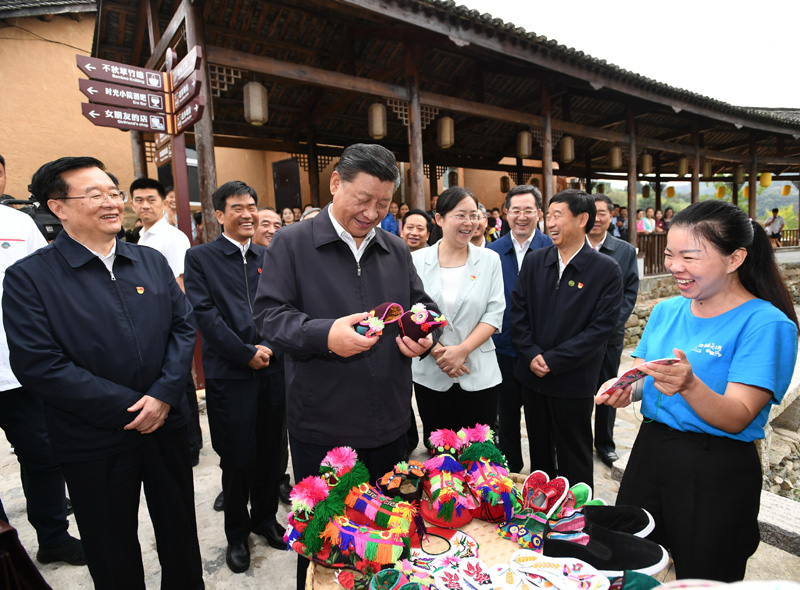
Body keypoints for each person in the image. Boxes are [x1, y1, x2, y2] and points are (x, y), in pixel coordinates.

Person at [3, 157, 203, 590]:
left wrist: (164, 394)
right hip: (93, 438)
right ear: (58, 207)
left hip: (166, 425)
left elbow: (183, 326)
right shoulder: (29, 278)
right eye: (95, 195)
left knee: (181, 538)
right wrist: (132, 407)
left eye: (114, 192)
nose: (113, 202)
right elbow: (39, 364)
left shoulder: (149, 261)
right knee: (111, 552)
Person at [252, 143, 441, 590]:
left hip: (390, 424)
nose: (372, 213)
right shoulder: (292, 243)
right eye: (363, 199)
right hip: (324, 427)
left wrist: (425, 335)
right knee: (325, 544)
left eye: (383, 204)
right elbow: (269, 318)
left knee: (392, 540)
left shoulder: (395, 249)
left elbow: (421, 305)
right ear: (336, 183)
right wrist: (325, 335)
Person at [597, 199, 798, 582]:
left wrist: (690, 385)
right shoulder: (667, 310)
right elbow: (649, 374)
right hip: (650, 452)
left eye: (690, 256)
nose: (675, 266)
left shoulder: (765, 324)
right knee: (631, 563)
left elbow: (738, 416)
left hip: (715, 468)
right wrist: (625, 387)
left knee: (706, 574)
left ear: (735, 258)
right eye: (670, 255)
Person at [184, 181, 286, 574]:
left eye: (252, 206)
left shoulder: (268, 256)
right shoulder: (201, 257)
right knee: (238, 457)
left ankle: (265, 519)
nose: (247, 214)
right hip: (230, 373)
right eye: (237, 207)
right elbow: (205, 314)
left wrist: (270, 347)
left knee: (271, 452)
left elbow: (282, 305)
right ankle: (237, 533)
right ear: (219, 215)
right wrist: (245, 353)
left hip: (273, 367)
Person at [0, 161, 85, 566]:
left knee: (43, 457)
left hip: (19, 370)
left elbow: (50, 284)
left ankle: (53, 537)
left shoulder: (18, 224)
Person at [511, 189, 622, 489]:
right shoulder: (535, 261)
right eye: (548, 216)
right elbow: (518, 312)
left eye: (557, 215)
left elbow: (600, 329)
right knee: (540, 453)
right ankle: (540, 508)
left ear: (582, 219)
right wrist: (530, 353)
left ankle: (579, 513)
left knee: (575, 453)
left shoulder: (605, 269)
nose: (550, 223)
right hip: (533, 377)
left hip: (573, 380)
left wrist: (554, 360)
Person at [411, 187, 504, 443]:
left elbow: (494, 313)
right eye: (460, 215)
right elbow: (411, 312)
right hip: (431, 372)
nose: (469, 222)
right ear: (439, 219)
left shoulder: (489, 260)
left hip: (478, 370)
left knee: (479, 451)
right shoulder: (416, 260)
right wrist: (438, 351)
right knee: (441, 453)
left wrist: (461, 350)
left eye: (474, 215)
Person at [130, 178, 201, 464]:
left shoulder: (172, 237)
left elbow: (180, 284)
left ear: (163, 202)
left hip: (170, 322)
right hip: (149, 324)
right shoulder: (141, 236)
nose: (145, 205)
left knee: (181, 382)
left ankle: (192, 444)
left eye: (151, 199)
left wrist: (175, 324)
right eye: (139, 200)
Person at [487, 185, 553, 474]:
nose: (522, 216)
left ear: (539, 213)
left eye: (528, 210)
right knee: (506, 416)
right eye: (516, 210)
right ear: (506, 213)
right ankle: (509, 471)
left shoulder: (552, 248)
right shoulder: (492, 252)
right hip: (503, 349)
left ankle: (543, 475)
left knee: (542, 420)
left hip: (541, 352)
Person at [587, 194, 639, 467]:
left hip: (610, 336)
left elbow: (629, 293)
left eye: (603, 213)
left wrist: (609, 325)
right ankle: (577, 442)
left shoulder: (624, 251)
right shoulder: (573, 247)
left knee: (609, 388)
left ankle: (605, 445)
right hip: (575, 337)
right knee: (578, 392)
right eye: (592, 213)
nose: (597, 219)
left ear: (611, 216)